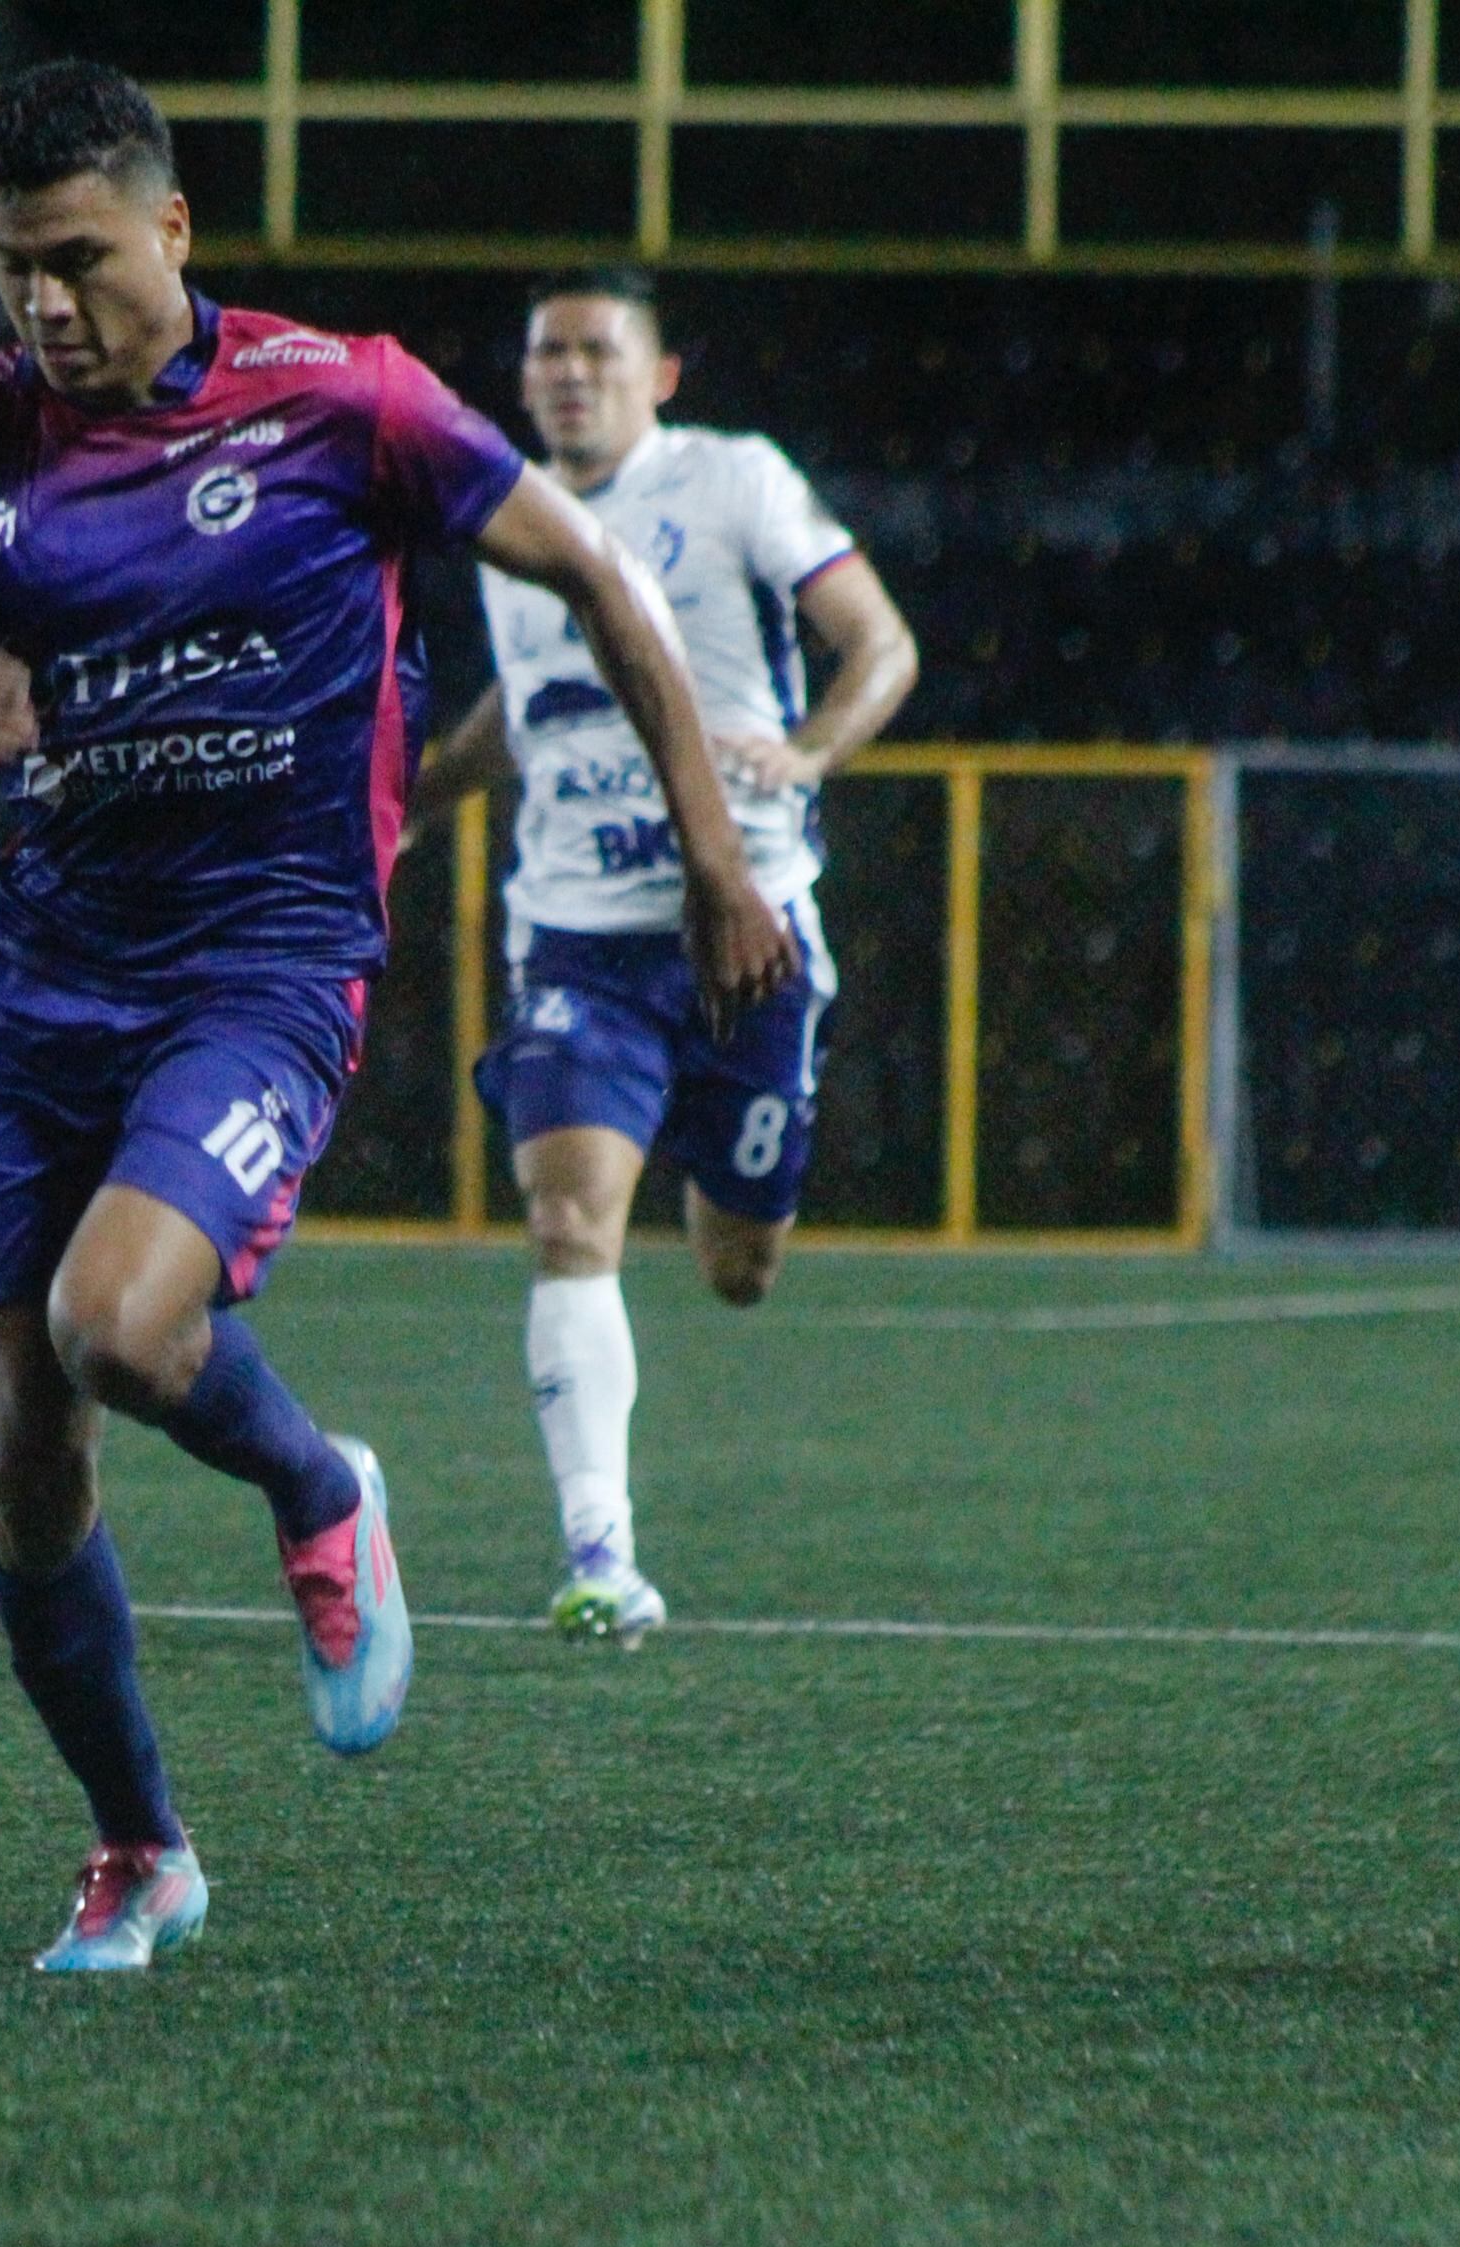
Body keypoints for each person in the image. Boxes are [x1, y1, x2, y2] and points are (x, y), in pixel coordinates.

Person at [0, 63, 777, 1971]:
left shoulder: (344, 400)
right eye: (15, 268)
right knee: (26, 1447)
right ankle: (141, 1849)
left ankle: (319, 1481)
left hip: (260, 963)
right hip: (34, 986)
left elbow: (600, 584)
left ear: (171, 230)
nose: (46, 304)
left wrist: (713, 855)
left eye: (82, 260)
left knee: (118, 1324)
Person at [413, 269, 917, 1644]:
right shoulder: (509, 513)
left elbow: (880, 642)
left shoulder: (736, 482)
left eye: (596, 351)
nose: (570, 374)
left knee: (737, 1265)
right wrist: (406, 804)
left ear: (661, 373)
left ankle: (732, 1190)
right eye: (547, 354)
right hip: (578, 937)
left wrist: (812, 749)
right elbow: (521, 713)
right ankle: (600, 1556)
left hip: (748, 930)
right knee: (570, 1222)